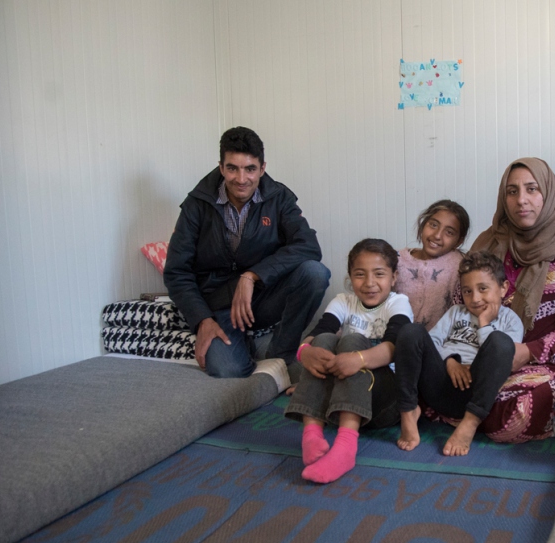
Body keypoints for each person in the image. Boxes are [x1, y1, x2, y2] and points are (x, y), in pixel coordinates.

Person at [164, 126, 330, 380]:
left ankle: (280, 352)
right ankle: (250, 346)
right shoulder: (196, 205)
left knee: (315, 273)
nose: (241, 179)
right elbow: (177, 272)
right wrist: (202, 321)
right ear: (221, 167)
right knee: (227, 370)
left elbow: (308, 246)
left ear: (262, 168)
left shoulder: (279, 197)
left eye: (250, 169)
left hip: (262, 297)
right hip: (218, 306)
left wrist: (252, 275)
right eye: (233, 168)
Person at [462, 157, 555, 443]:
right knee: (433, 378)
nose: (521, 200)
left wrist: (528, 351)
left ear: (548, 194)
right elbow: (459, 299)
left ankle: (469, 414)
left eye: (532, 189)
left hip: (542, 363)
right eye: (512, 191)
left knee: (511, 413)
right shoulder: (486, 244)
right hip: (480, 354)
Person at [285, 238, 413, 483]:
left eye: (379, 274)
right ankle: (312, 433)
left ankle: (345, 447)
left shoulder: (398, 303)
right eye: (360, 275)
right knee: (322, 339)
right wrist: (304, 352)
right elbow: (319, 333)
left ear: (393, 277)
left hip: (384, 402)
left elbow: (394, 349)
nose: (369, 283)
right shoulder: (343, 301)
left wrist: (359, 359)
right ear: (350, 277)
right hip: (340, 402)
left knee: (353, 341)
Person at [396, 251, 524, 456]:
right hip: (438, 385)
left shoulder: (511, 321)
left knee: (501, 342)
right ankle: (408, 411)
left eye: (483, 289)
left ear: (503, 288)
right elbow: (434, 341)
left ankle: (469, 424)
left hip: (476, 393)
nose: (475, 298)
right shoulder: (455, 312)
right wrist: (450, 361)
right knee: (411, 331)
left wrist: (483, 323)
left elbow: (503, 359)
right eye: (467, 291)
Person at [396, 199, 470, 329]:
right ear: (423, 224)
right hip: (395, 340)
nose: (437, 235)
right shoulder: (397, 259)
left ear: (459, 241)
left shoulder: (460, 265)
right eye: (433, 225)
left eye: (449, 232)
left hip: (438, 345)